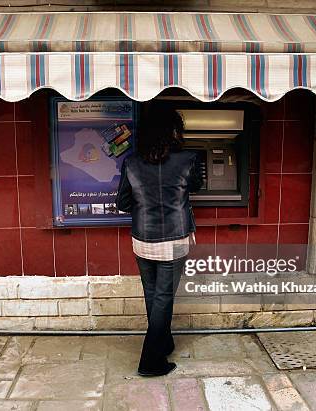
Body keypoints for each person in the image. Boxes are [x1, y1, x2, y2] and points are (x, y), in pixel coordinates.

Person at [116, 104, 203, 377]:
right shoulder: (189, 159)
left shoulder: (130, 162)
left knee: (153, 295)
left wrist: (145, 203)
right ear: (173, 131)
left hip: (142, 238)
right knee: (164, 298)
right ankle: (150, 361)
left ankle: (164, 342)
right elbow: (197, 187)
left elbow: (122, 202)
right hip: (175, 239)